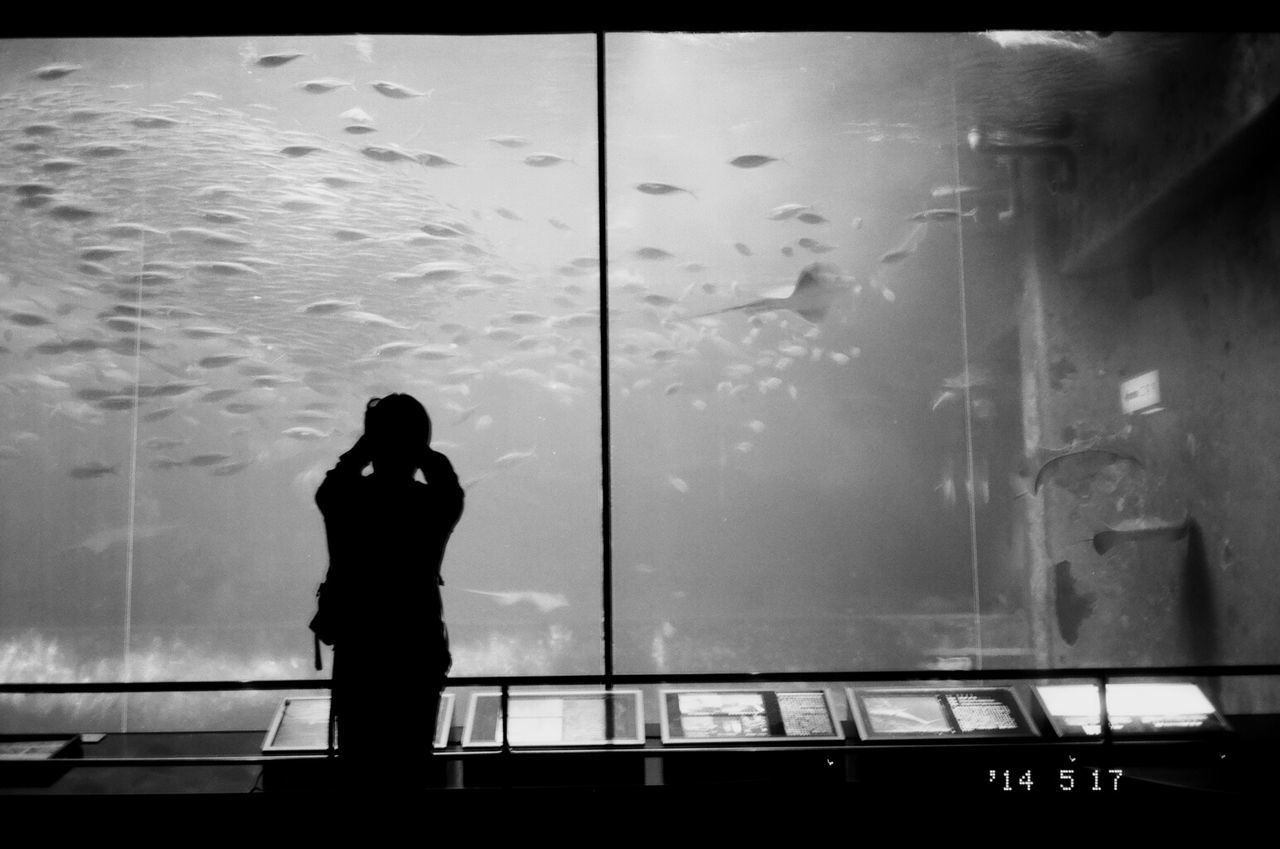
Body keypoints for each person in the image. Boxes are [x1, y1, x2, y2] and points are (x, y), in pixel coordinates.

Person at [314, 394, 464, 792]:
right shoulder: (432, 505)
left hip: (361, 650)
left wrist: (366, 445)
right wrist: (420, 448)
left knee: (359, 762)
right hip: (416, 649)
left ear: (372, 444)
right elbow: (449, 487)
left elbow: (328, 488)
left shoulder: (346, 500)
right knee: (412, 761)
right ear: (420, 444)